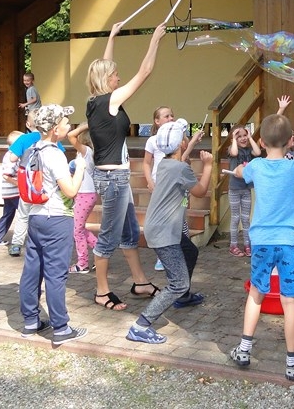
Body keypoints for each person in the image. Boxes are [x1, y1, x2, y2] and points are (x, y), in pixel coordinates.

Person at [229, 113, 294, 381]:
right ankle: (293, 363)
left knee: (256, 293)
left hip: (261, 241)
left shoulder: (255, 166)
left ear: (262, 142)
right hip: (289, 244)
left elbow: (240, 172)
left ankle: (243, 350)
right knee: (290, 300)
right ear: (291, 142)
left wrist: (240, 169)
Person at [86, 21, 167, 311]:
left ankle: (140, 282)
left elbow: (105, 64)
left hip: (115, 178)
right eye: (115, 75)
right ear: (106, 80)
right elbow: (144, 72)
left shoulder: (96, 101)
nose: (119, 77)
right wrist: (154, 39)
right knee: (108, 237)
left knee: (130, 232)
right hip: (113, 180)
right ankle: (101, 291)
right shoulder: (108, 101)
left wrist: (112, 37)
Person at [126, 120, 213, 344]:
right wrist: (208, 166)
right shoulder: (179, 168)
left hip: (162, 228)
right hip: (164, 233)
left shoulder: (166, 163)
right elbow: (201, 191)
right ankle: (140, 326)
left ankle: (183, 298)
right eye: (185, 137)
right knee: (178, 282)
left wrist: (191, 145)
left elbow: (180, 161)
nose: (186, 139)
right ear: (181, 143)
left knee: (191, 251)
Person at [18, 104, 88, 345]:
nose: (69, 124)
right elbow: (70, 190)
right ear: (55, 129)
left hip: (36, 217)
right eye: (66, 122)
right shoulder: (55, 153)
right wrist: (80, 169)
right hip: (57, 219)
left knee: (32, 271)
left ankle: (30, 321)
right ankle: (61, 328)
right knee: (55, 275)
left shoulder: (32, 150)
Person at [143, 108, 204, 271]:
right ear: (157, 121)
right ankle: (167, 256)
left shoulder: (176, 145)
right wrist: (150, 181)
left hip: (177, 185)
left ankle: (180, 252)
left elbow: (180, 160)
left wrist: (191, 143)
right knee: (169, 222)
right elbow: (147, 163)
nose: (171, 118)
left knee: (180, 220)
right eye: (166, 116)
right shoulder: (154, 141)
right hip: (162, 185)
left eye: (172, 115)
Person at [6, 110, 66, 257]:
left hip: (28, 182)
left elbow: (12, 158)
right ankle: (42, 242)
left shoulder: (23, 138)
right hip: (46, 183)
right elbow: (61, 154)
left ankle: (16, 244)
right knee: (45, 212)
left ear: (28, 124)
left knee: (23, 214)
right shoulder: (51, 139)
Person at [66, 122, 98, 274]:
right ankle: (100, 250)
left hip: (85, 194)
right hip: (85, 194)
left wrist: (85, 126)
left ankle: (83, 263)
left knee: (77, 230)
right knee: (80, 228)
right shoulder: (87, 152)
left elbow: (70, 136)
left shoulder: (86, 151)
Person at [226, 123, 261, 257]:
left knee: (246, 219)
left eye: (244, 135)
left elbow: (258, 152)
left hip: (246, 189)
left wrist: (251, 138)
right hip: (234, 189)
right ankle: (233, 245)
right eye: (239, 136)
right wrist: (233, 139)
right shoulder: (232, 149)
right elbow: (234, 152)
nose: (243, 138)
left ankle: (247, 245)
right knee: (235, 218)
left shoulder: (249, 150)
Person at [0, 130, 24, 246]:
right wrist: (20, 184)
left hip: (9, 193)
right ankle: (34, 238)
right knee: (26, 215)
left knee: (8, 215)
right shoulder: (11, 156)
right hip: (14, 192)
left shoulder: (11, 154)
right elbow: (6, 175)